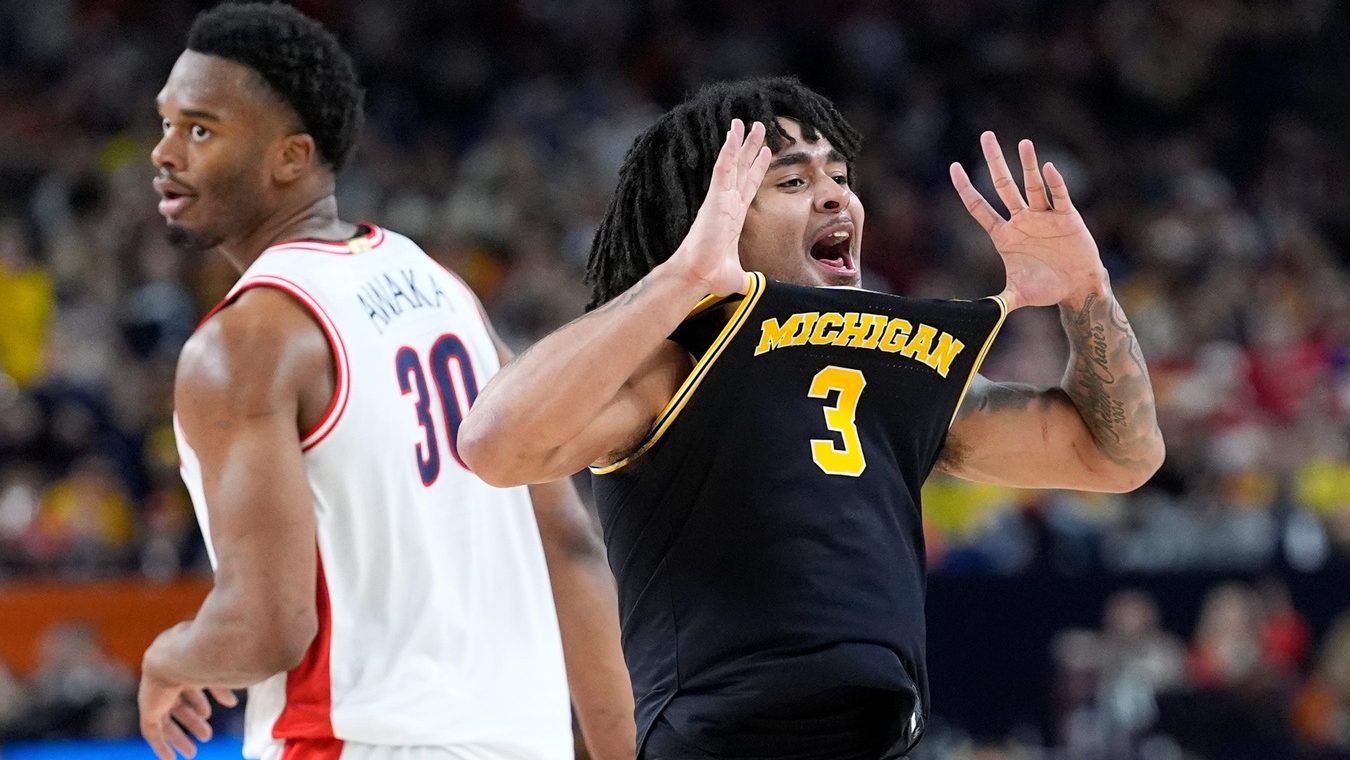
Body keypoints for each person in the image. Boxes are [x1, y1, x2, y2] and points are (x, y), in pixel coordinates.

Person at [458, 78, 1165, 758]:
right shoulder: (671, 364)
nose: (835, 195)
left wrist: (1087, 293)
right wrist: (682, 275)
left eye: (840, 177)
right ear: (713, 217)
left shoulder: (893, 369)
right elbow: (493, 444)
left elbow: (1116, 455)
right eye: (793, 181)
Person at [137, 5, 633, 760]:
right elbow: (571, 545)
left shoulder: (244, 342)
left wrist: (168, 656)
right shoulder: (440, 287)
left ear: (290, 158)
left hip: (355, 741)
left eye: (199, 131)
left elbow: (268, 628)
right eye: (167, 124)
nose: (164, 152)